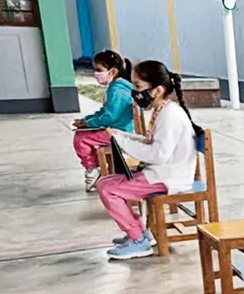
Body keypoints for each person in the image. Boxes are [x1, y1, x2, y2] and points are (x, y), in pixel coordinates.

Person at [97, 60, 203, 260]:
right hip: (161, 173)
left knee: (108, 189)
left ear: (157, 90)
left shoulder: (170, 115)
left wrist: (122, 142)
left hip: (168, 176)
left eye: (138, 87)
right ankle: (139, 232)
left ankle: (138, 240)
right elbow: (150, 142)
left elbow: (158, 155)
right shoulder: (163, 110)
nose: (135, 92)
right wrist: (122, 135)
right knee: (105, 182)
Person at [72, 50, 135, 192]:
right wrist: (86, 120)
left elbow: (109, 117)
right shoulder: (117, 87)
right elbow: (104, 112)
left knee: (81, 138)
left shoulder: (117, 91)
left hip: (120, 133)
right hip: (118, 129)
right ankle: (96, 168)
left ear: (113, 71)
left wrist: (87, 124)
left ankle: (92, 169)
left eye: (99, 70)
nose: (96, 73)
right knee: (83, 134)